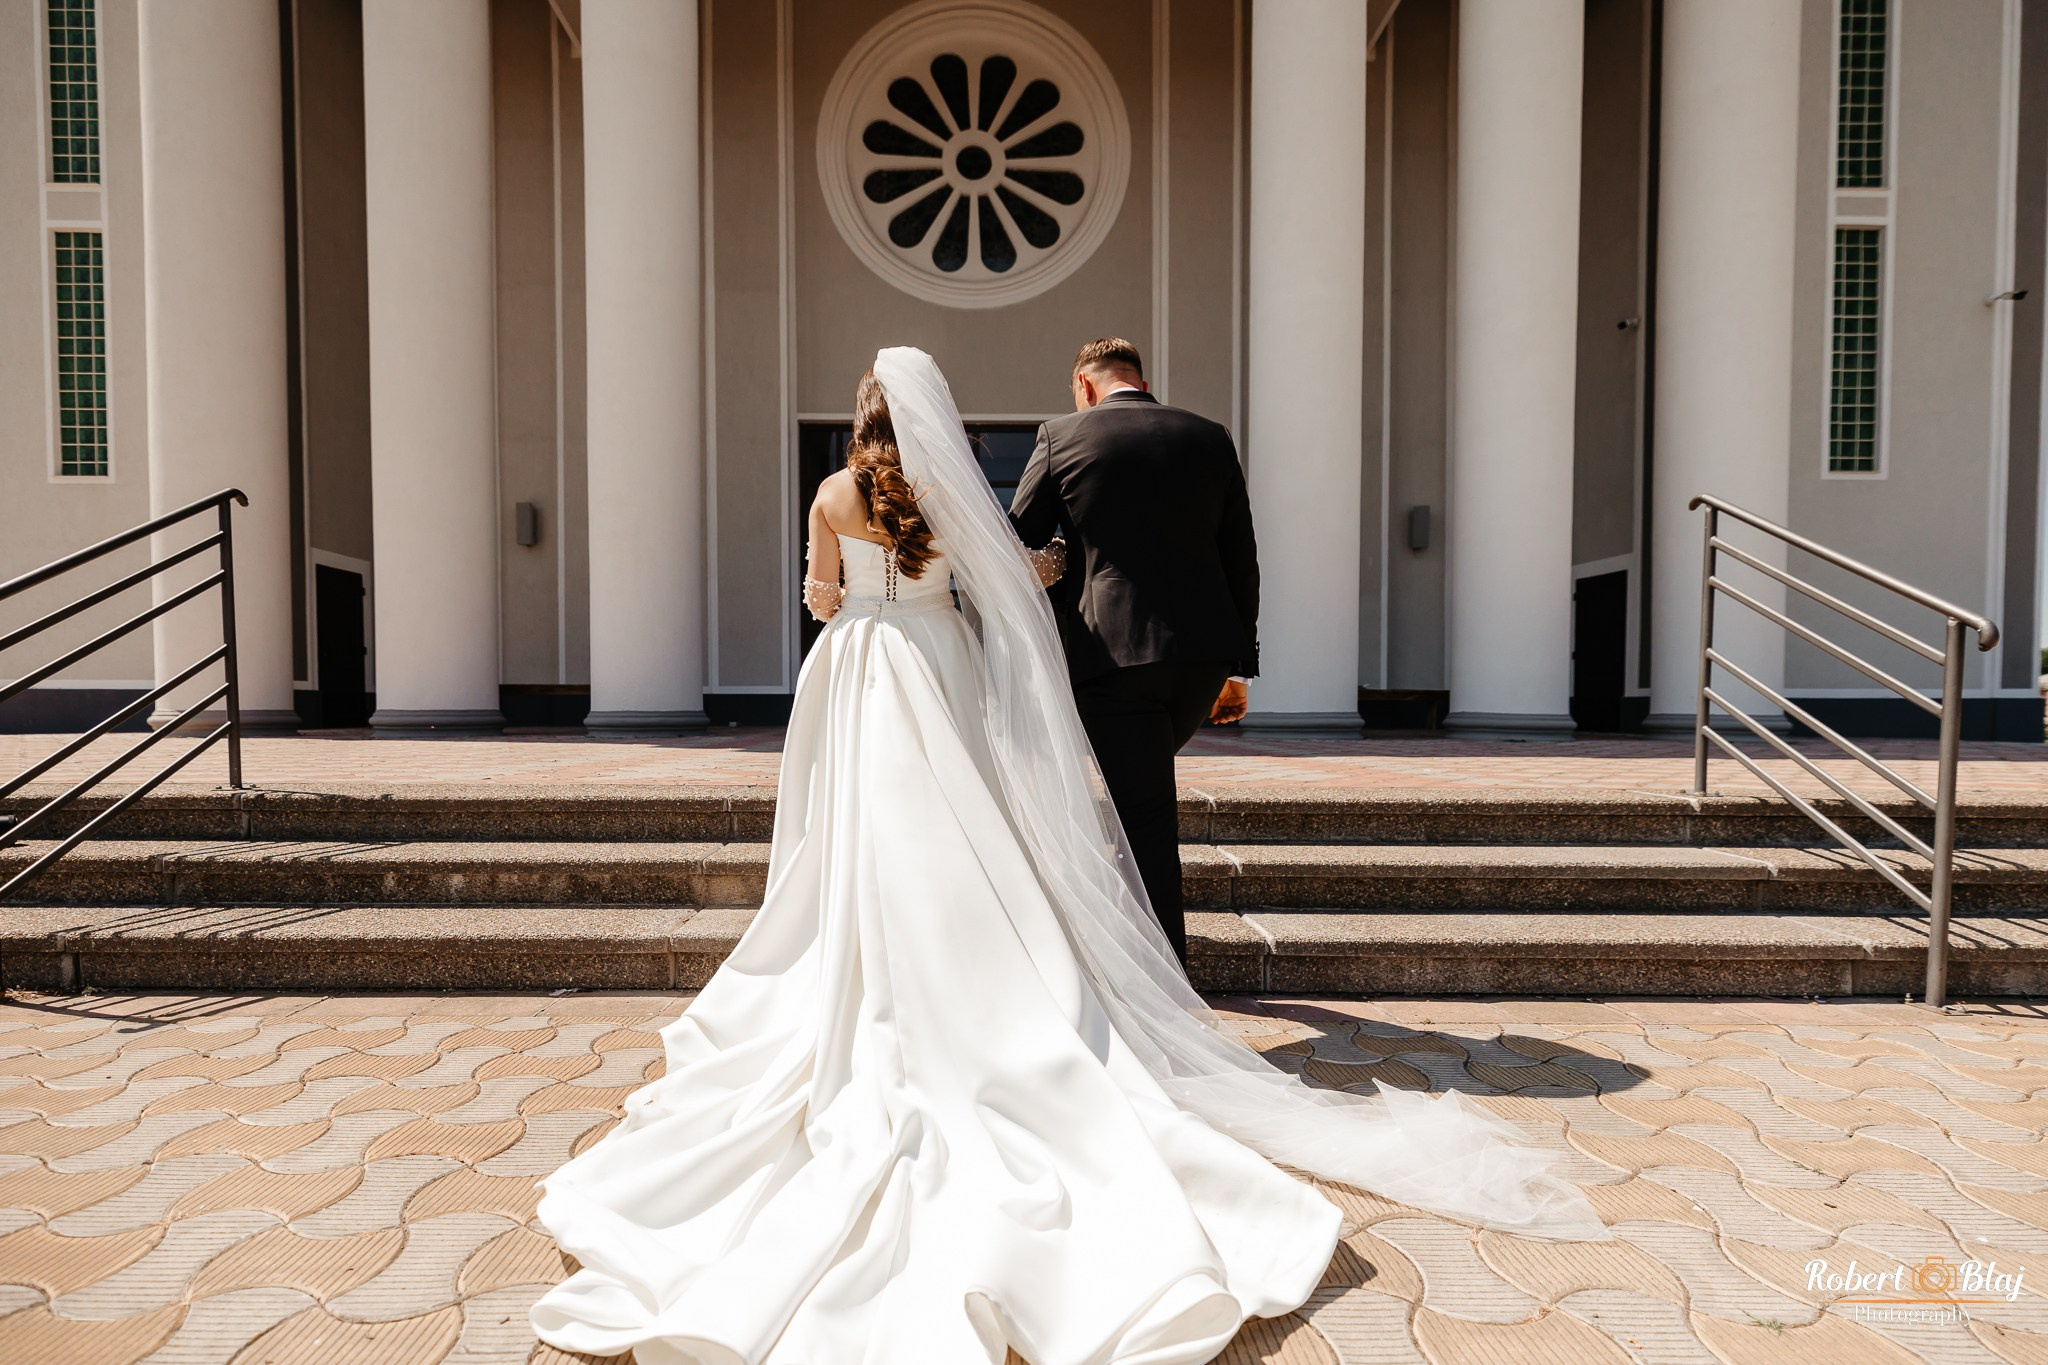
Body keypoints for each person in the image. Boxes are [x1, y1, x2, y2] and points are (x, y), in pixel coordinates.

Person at [531, 348, 1603, 1365]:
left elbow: (818, 599)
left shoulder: (828, 493)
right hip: (937, 661)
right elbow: (1006, 576)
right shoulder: (949, 498)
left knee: (852, 823)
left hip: (856, 667)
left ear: (859, 418)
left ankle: (851, 956)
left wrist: (852, 598)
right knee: (954, 817)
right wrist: (1028, 567)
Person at [1009, 338, 1255, 965]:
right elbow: (1240, 560)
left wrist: (1068, 565)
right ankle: (1128, 948)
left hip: (1113, 655)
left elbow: (1019, 538)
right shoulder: (1210, 437)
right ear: (1139, 380)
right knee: (1137, 801)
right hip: (1200, 660)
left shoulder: (1062, 436)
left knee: (1142, 815)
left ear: (1085, 386)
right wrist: (1235, 668)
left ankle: (1162, 976)